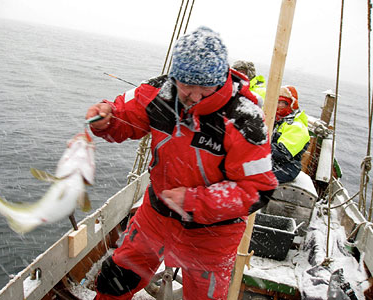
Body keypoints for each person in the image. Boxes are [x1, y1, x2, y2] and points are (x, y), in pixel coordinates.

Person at [85, 26, 277, 300]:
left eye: (206, 86)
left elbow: (258, 189)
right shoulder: (159, 92)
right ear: (175, 77)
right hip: (156, 215)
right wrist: (106, 118)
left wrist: (195, 202)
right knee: (115, 281)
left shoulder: (246, 119)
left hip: (213, 235)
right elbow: (122, 114)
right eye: (187, 85)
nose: (196, 96)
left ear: (221, 77)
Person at [271, 85, 310, 184]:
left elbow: (282, 153)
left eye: (283, 103)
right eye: (277, 102)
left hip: (286, 168)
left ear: (291, 105)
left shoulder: (297, 126)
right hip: (273, 163)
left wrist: (258, 147)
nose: (279, 106)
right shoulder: (278, 122)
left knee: (249, 176)